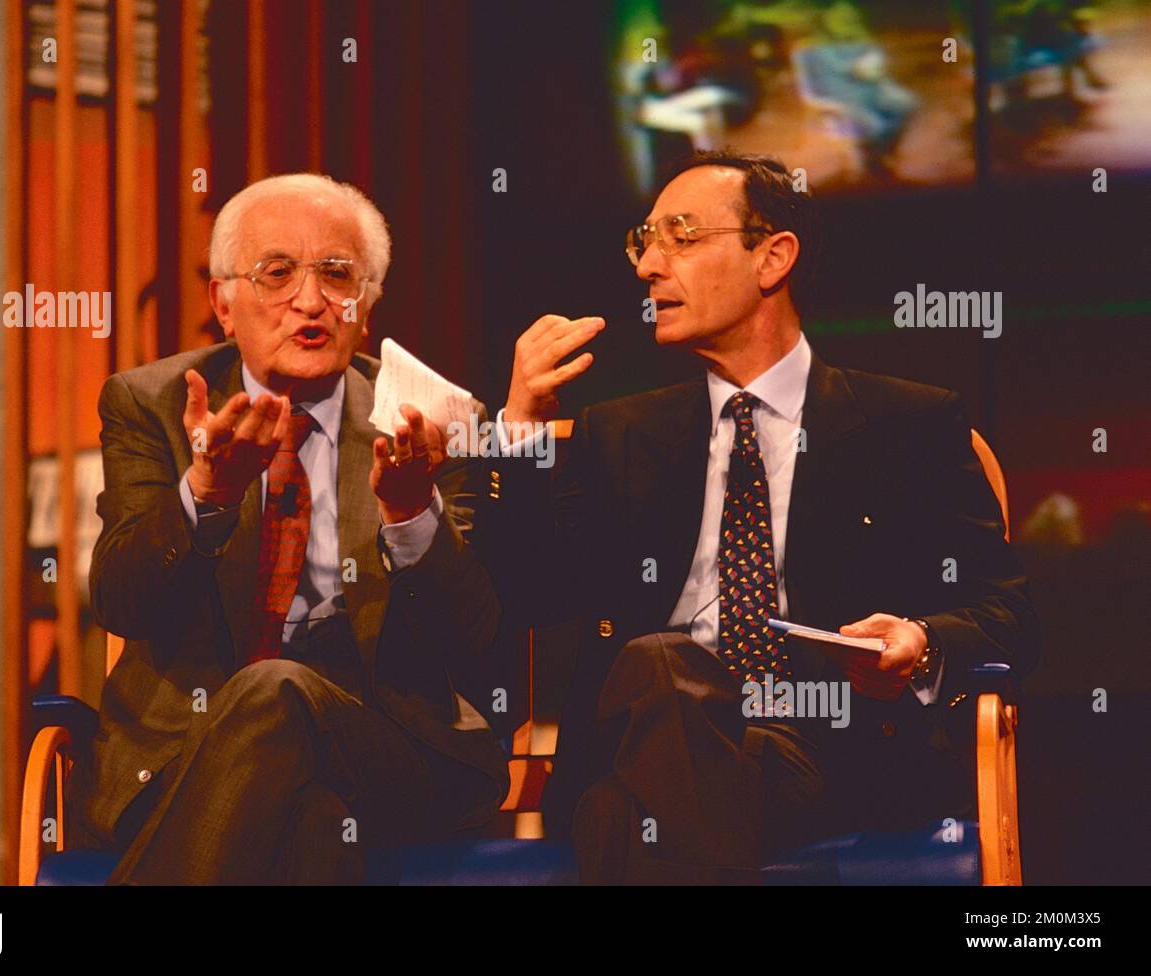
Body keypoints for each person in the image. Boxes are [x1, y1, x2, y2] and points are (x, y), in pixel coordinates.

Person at [485, 150, 1040, 883]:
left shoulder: (908, 423)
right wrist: (522, 427)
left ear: (772, 257)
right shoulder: (622, 434)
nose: (649, 265)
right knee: (660, 676)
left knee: (617, 819)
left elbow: (1011, 613)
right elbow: (528, 592)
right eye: (643, 241)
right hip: (642, 744)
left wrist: (920, 640)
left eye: (680, 236)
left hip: (833, 757)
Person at [67, 173, 508, 883]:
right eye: (277, 273)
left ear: (365, 305)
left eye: (337, 275)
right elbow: (124, 602)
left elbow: (478, 639)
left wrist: (409, 513)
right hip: (185, 756)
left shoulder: (429, 424)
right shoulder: (149, 404)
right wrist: (206, 495)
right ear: (224, 302)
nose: (311, 301)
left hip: (389, 749)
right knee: (313, 830)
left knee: (278, 690)